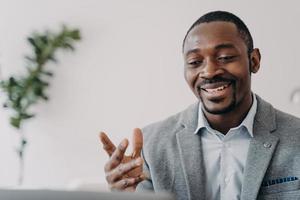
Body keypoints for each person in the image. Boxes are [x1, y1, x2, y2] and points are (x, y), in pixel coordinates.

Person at [99, 11, 300, 200]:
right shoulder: (152, 146)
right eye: (195, 62)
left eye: (225, 58)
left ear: (254, 60)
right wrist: (125, 195)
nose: (210, 71)